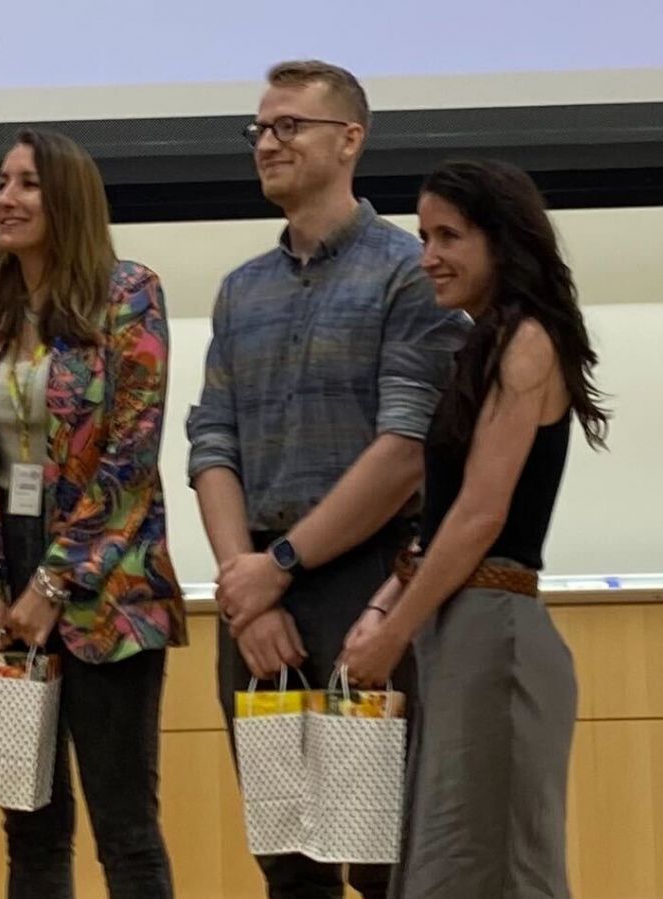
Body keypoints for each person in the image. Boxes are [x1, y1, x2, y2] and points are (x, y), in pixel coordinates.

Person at [185, 60, 469, 899]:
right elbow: (212, 443)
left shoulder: (408, 273)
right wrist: (248, 586)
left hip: (370, 592)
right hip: (258, 601)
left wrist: (279, 568)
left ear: (350, 140)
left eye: (289, 126)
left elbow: (407, 446)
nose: (267, 142)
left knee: (384, 859)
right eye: (260, 129)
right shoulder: (242, 291)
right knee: (288, 865)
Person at [339, 159, 608, 898]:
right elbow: (444, 518)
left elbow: (482, 513)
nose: (429, 254)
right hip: (462, 632)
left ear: (503, 241)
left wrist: (392, 633)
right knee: (443, 867)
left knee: (484, 872)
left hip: (497, 633)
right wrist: (382, 613)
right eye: (424, 235)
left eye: (449, 236)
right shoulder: (482, 343)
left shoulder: (527, 340)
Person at [0, 127, 186, 899]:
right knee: (31, 832)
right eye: (3, 181)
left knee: (125, 829)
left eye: (28, 184)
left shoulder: (129, 293)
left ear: (69, 199)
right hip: (3, 574)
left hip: (105, 583)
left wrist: (52, 586)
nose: (5, 198)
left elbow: (130, 458)